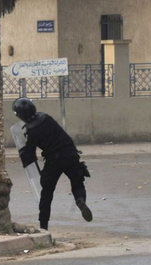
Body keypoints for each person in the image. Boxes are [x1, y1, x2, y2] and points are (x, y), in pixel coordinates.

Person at [13, 97, 92, 230]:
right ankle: (80, 200)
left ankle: (44, 226)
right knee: (77, 182)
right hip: (70, 153)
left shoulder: (32, 131)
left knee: (47, 193)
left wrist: (25, 154)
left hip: (54, 160)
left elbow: (30, 153)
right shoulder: (46, 117)